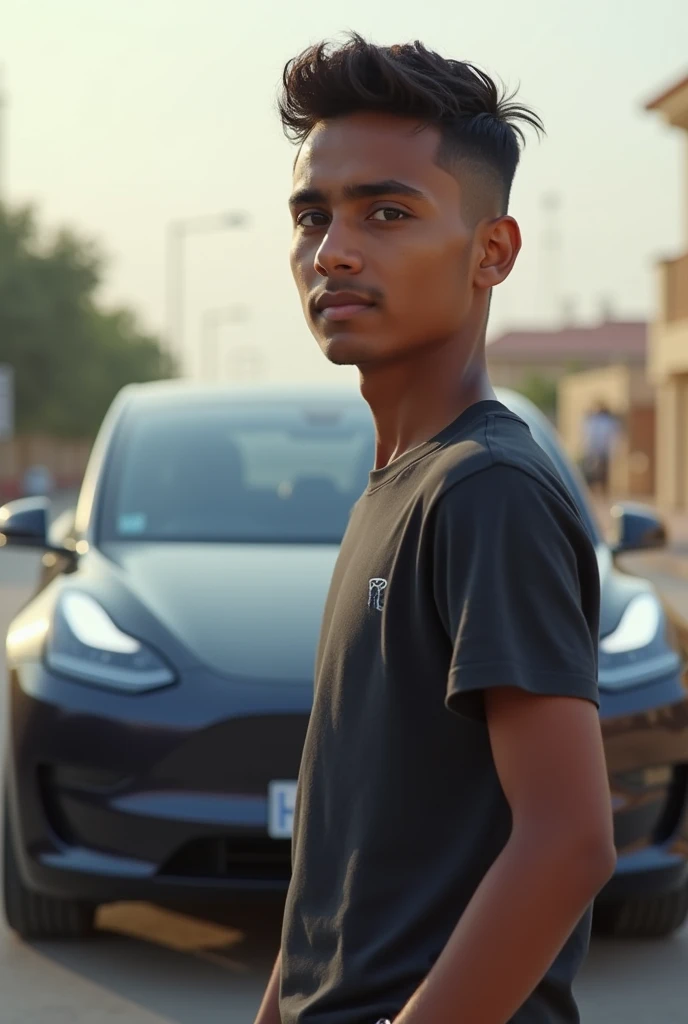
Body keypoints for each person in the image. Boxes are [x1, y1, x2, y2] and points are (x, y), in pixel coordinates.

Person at [254, 35, 615, 1024]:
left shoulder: (485, 489)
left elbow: (570, 840)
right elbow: (344, 855)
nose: (333, 250)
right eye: (311, 216)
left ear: (489, 251)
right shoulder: (397, 485)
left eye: (386, 211)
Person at [581, 402, 621, 497]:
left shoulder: (609, 421)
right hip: (591, 451)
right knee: (591, 473)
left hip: (603, 451)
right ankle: (591, 492)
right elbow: (586, 435)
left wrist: (614, 451)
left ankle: (603, 493)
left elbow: (613, 436)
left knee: (603, 474)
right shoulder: (591, 420)